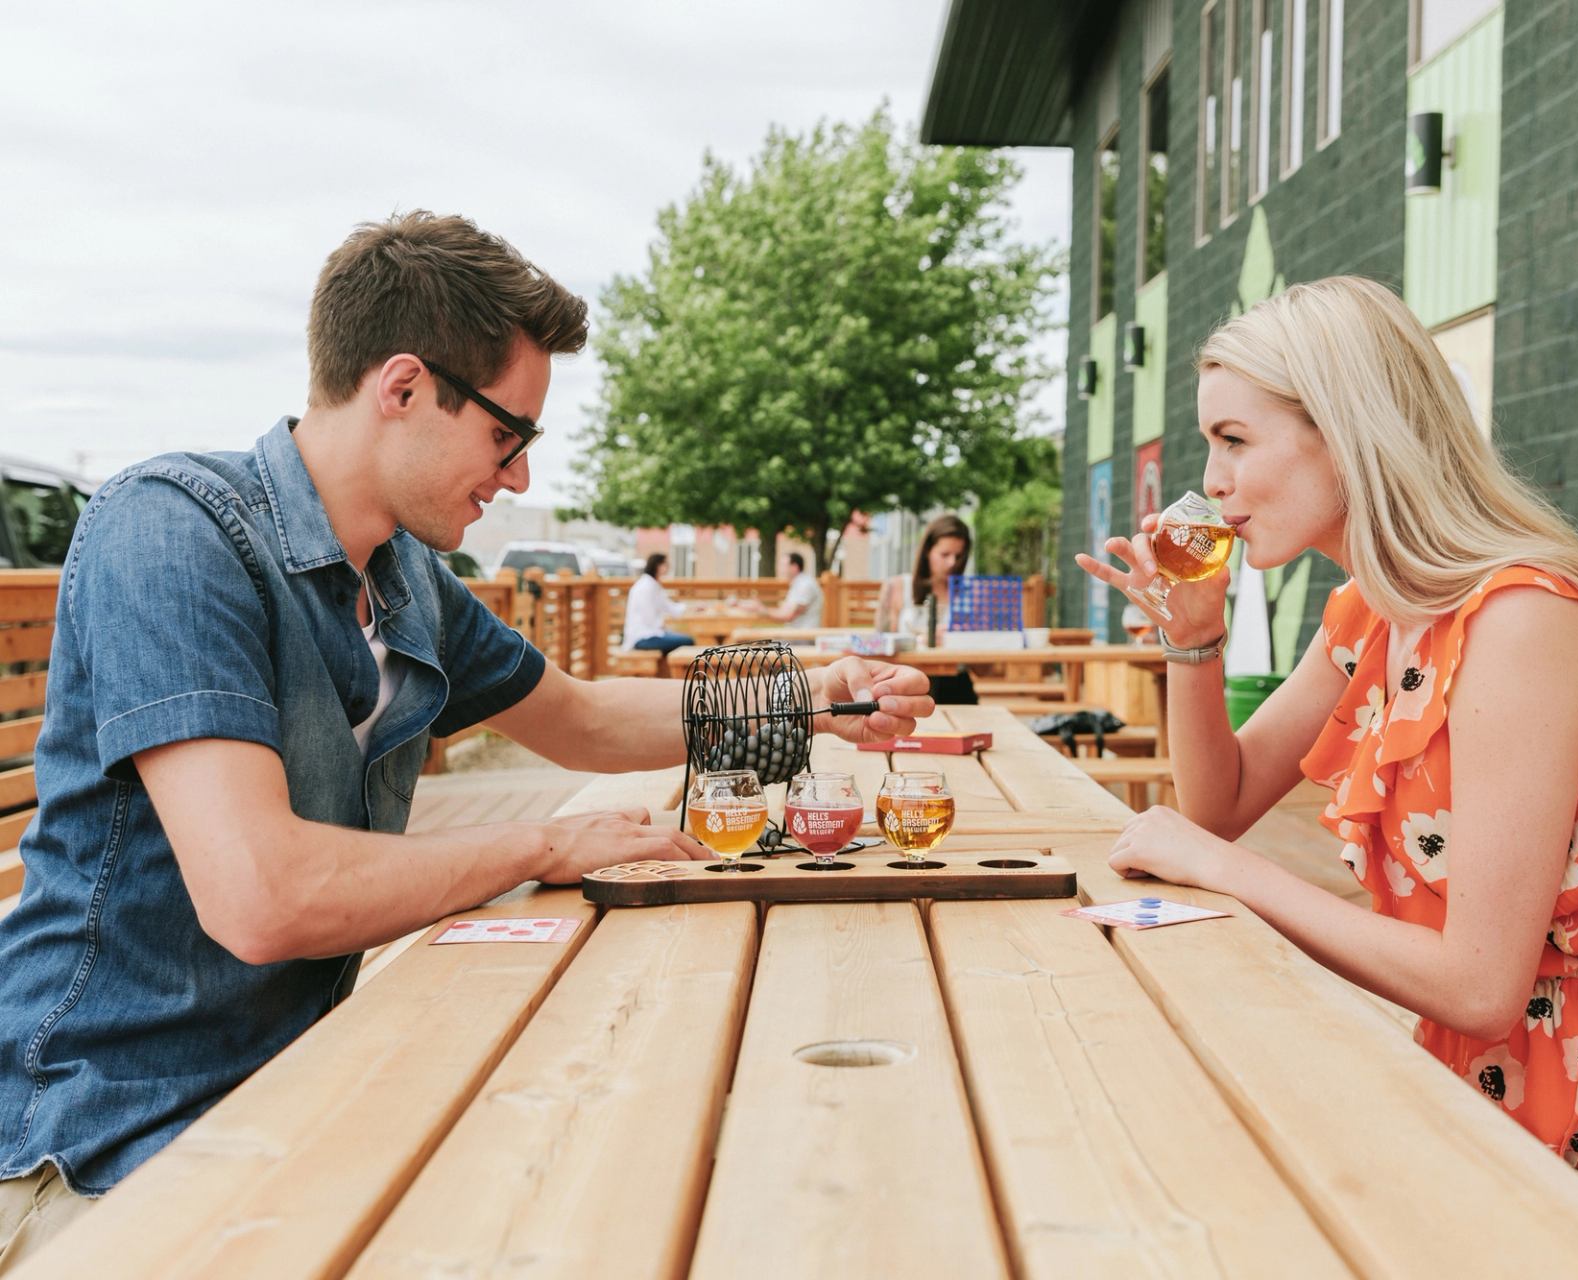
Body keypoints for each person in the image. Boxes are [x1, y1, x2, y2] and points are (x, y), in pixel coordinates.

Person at [0, 211, 932, 1265]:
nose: (521, 478)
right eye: (507, 434)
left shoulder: (405, 579)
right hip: (92, 1146)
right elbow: (265, 897)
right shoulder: (172, 529)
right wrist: (537, 847)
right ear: (401, 389)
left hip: (286, 1093)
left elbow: (579, 717)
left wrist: (818, 692)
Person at [1077, 277, 1578, 1278]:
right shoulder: (1377, 613)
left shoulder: (1519, 621)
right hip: (1513, 1065)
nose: (1209, 480)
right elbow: (1220, 802)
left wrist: (1220, 870)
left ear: (1345, 428)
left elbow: (1477, 980)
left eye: (1235, 440)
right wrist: (1196, 643)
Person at [877, 515, 976, 703]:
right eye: (945, 555)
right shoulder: (898, 587)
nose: (952, 563)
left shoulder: (968, 594)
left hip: (955, 685)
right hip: (906, 684)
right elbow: (880, 648)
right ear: (927, 551)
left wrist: (958, 639)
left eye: (959, 556)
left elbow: (987, 668)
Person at [623, 553, 695, 653]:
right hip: (643, 637)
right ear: (658, 566)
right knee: (688, 641)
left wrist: (691, 607)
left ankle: (667, 668)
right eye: (665, 564)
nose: (668, 567)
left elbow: (670, 607)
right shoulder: (646, 587)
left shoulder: (652, 584)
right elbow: (649, 617)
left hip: (650, 633)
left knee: (683, 639)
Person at [740, 551, 823, 628]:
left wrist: (760, 609)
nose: (780, 569)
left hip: (802, 638)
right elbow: (783, 611)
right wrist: (758, 607)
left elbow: (788, 616)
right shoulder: (799, 584)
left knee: (746, 636)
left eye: (783, 565)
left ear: (794, 567)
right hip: (794, 636)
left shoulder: (805, 585)